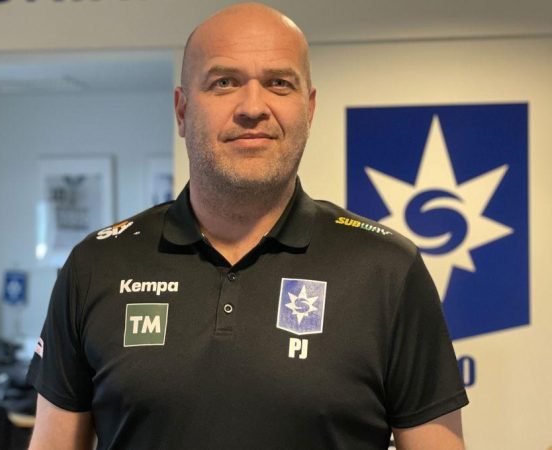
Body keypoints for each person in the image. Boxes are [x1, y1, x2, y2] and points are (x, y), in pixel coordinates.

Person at [26, 3, 468, 449]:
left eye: (279, 83)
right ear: (181, 111)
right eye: (224, 82)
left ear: (309, 109)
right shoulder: (95, 265)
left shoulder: (388, 269)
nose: (253, 107)